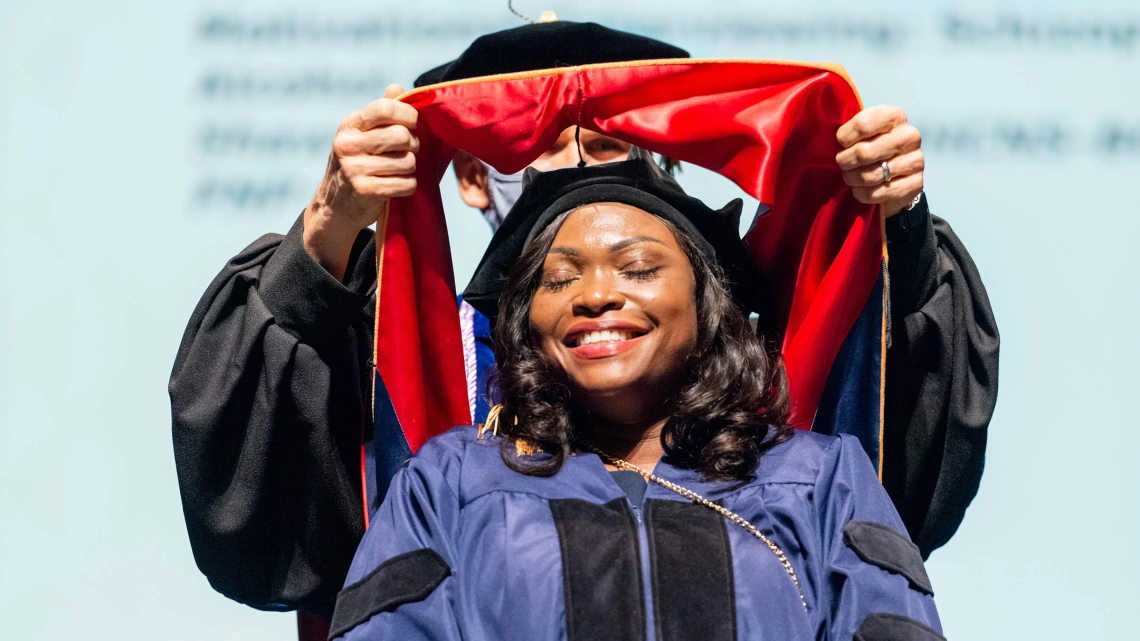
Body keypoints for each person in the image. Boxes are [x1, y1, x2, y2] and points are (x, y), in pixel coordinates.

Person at [170, 20, 997, 620]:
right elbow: (256, 513)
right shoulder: (396, 353)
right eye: (537, 147)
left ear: (659, 160)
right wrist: (328, 226)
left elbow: (895, 456)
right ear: (467, 179)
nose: (569, 170)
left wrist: (893, 220)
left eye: (604, 147)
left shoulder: (750, 347)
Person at [327, 152, 944, 641]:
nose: (594, 295)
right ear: (525, 323)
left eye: (640, 268)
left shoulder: (820, 478)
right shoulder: (450, 483)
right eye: (560, 278)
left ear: (707, 308)